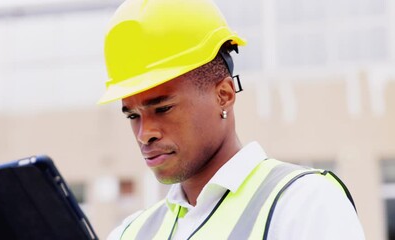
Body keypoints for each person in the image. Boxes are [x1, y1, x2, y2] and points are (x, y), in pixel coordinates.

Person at [99, 0, 365, 239]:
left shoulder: (303, 203)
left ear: (224, 95)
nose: (144, 134)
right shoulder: (129, 234)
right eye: (133, 115)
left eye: (163, 108)